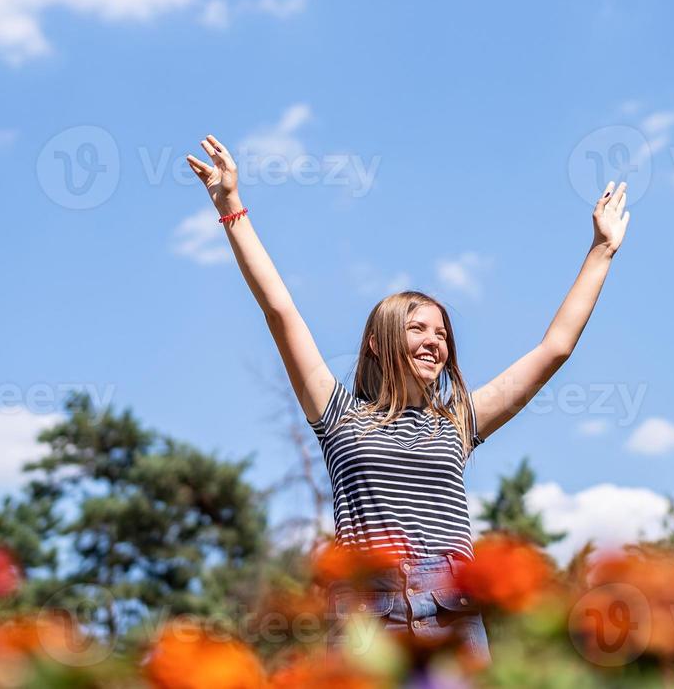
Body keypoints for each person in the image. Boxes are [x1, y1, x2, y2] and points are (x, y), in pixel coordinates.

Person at [186, 133, 630, 667]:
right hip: (367, 613)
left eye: (441, 333)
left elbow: (553, 350)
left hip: (453, 611)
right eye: (418, 328)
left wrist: (601, 250)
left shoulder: (458, 423)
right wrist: (231, 206)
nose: (435, 340)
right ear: (380, 340)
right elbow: (280, 310)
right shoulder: (337, 413)